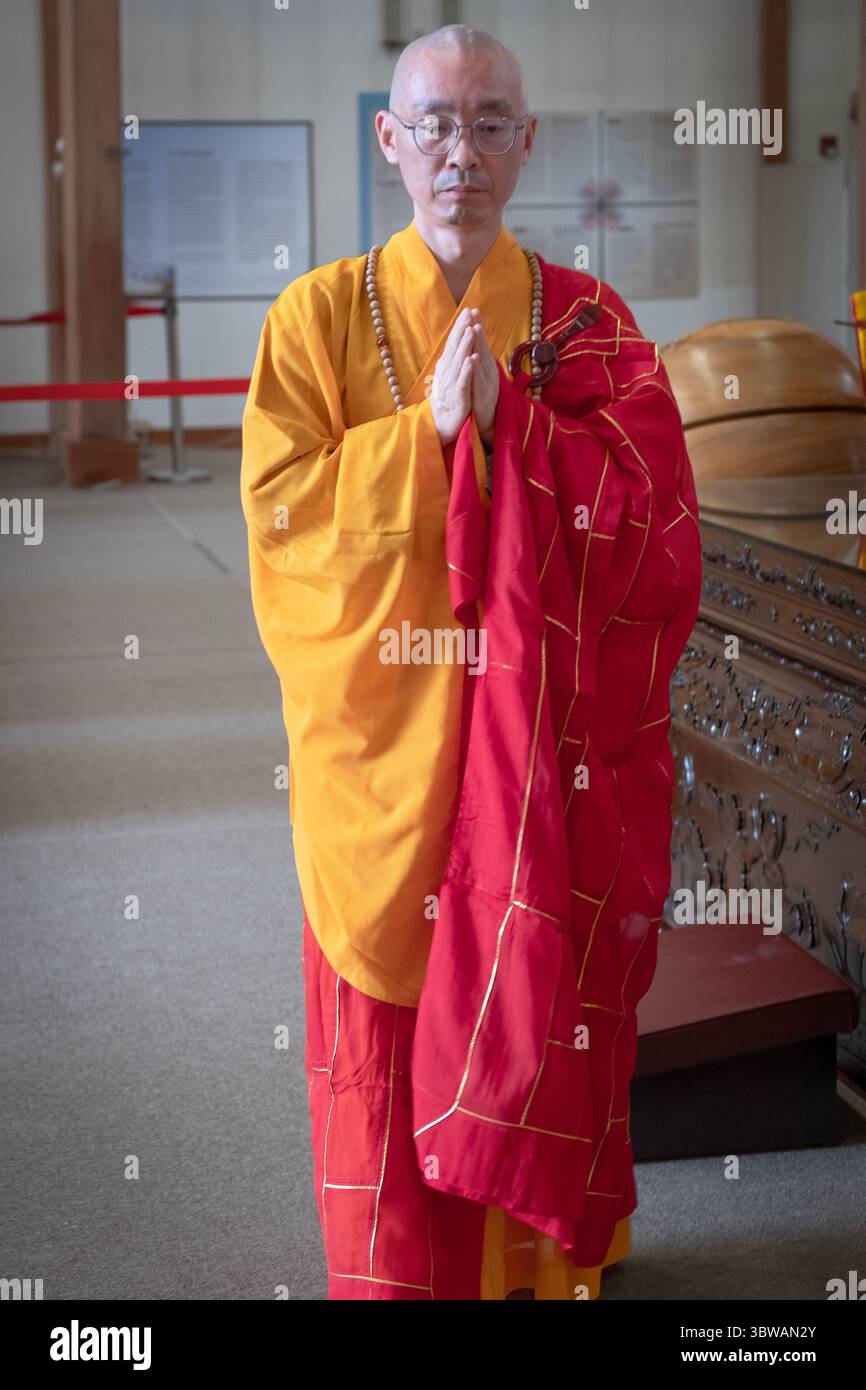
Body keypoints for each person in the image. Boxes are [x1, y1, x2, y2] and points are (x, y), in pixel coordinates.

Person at [240, 22, 702, 1300]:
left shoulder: (588, 321)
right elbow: (280, 526)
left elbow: (659, 526)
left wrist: (529, 444)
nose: (462, 152)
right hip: (388, 764)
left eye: (490, 121)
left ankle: (545, 1268)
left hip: (541, 769)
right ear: (388, 143)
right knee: (390, 1044)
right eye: (434, 124)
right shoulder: (316, 320)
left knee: (542, 1002)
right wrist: (424, 438)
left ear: (525, 141)